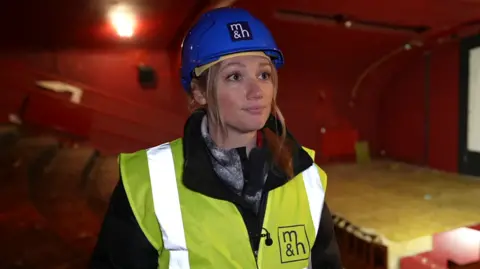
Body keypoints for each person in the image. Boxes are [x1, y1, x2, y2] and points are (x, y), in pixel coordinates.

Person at [90, 6, 342, 269]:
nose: (257, 91)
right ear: (199, 93)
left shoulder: (306, 176)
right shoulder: (147, 181)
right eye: (235, 76)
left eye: (264, 74)